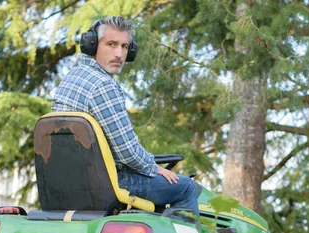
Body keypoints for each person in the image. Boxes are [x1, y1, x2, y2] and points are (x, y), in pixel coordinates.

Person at [52, 16, 200, 217]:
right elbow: (127, 152)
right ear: (92, 45)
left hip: (68, 181)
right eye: (111, 44)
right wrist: (153, 167)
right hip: (106, 183)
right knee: (185, 187)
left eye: (124, 46)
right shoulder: (103, 85)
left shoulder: (72, 77)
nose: (119, 54)